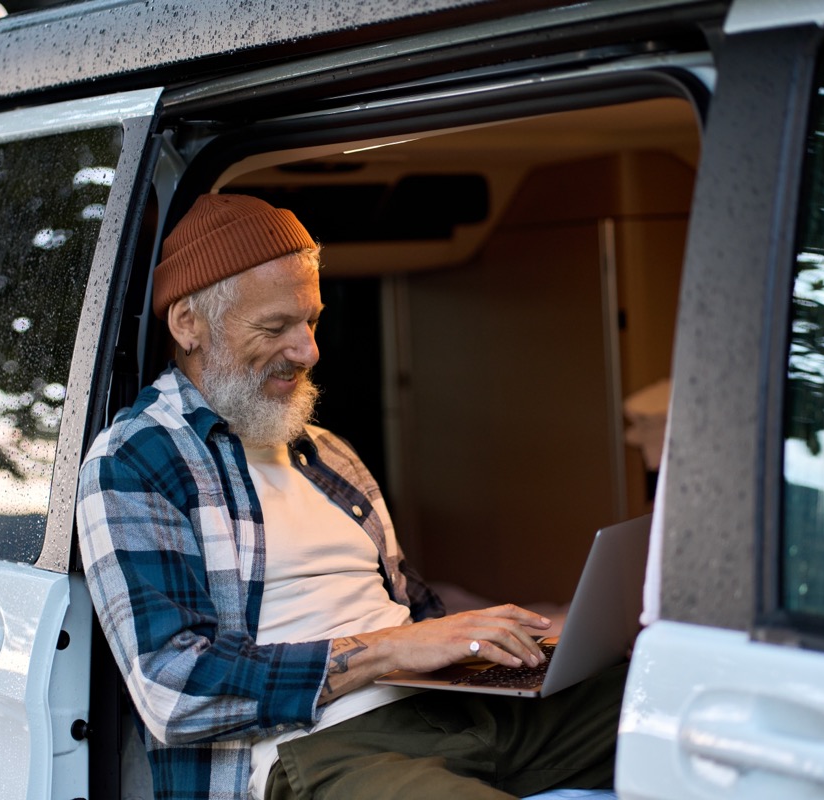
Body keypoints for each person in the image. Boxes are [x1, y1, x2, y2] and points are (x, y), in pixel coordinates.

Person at [76, 193, 627, 800]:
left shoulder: (328, 452)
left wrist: (511, 646)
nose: (308, 350)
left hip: (450, 709)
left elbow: (414, 611)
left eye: (311, 320)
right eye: (276, 326)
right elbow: (174, 691)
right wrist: (395, 648)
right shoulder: (134, 461)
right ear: (188, 324)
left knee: (681, 702)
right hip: (319, 746)